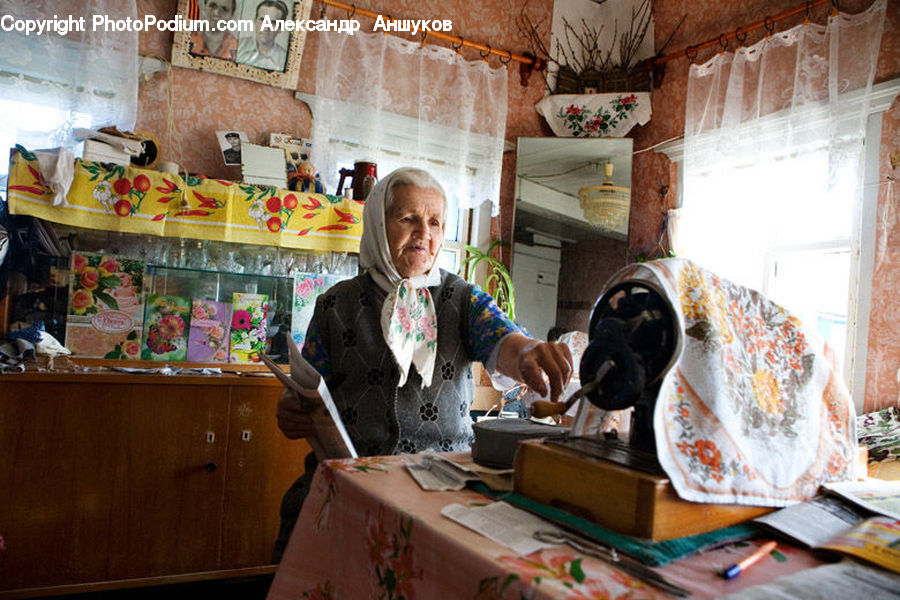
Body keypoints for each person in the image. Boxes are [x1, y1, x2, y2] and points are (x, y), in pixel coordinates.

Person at [273, 168, 573, 559]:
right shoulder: (335, 304)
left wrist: (531, 351)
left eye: (434, 222)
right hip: (355, 477)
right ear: (380, 224)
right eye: (408, 219)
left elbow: (506, 340)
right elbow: (309, 391)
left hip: (446, 480)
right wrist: (290, 410)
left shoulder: (463, 299)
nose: (424, 233)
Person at [236, 1, 290, 71]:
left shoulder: (285, 59)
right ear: (255, 21)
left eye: (273, 22)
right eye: (262, 20)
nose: (266, 27)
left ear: (280, 28)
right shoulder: (238, 46)